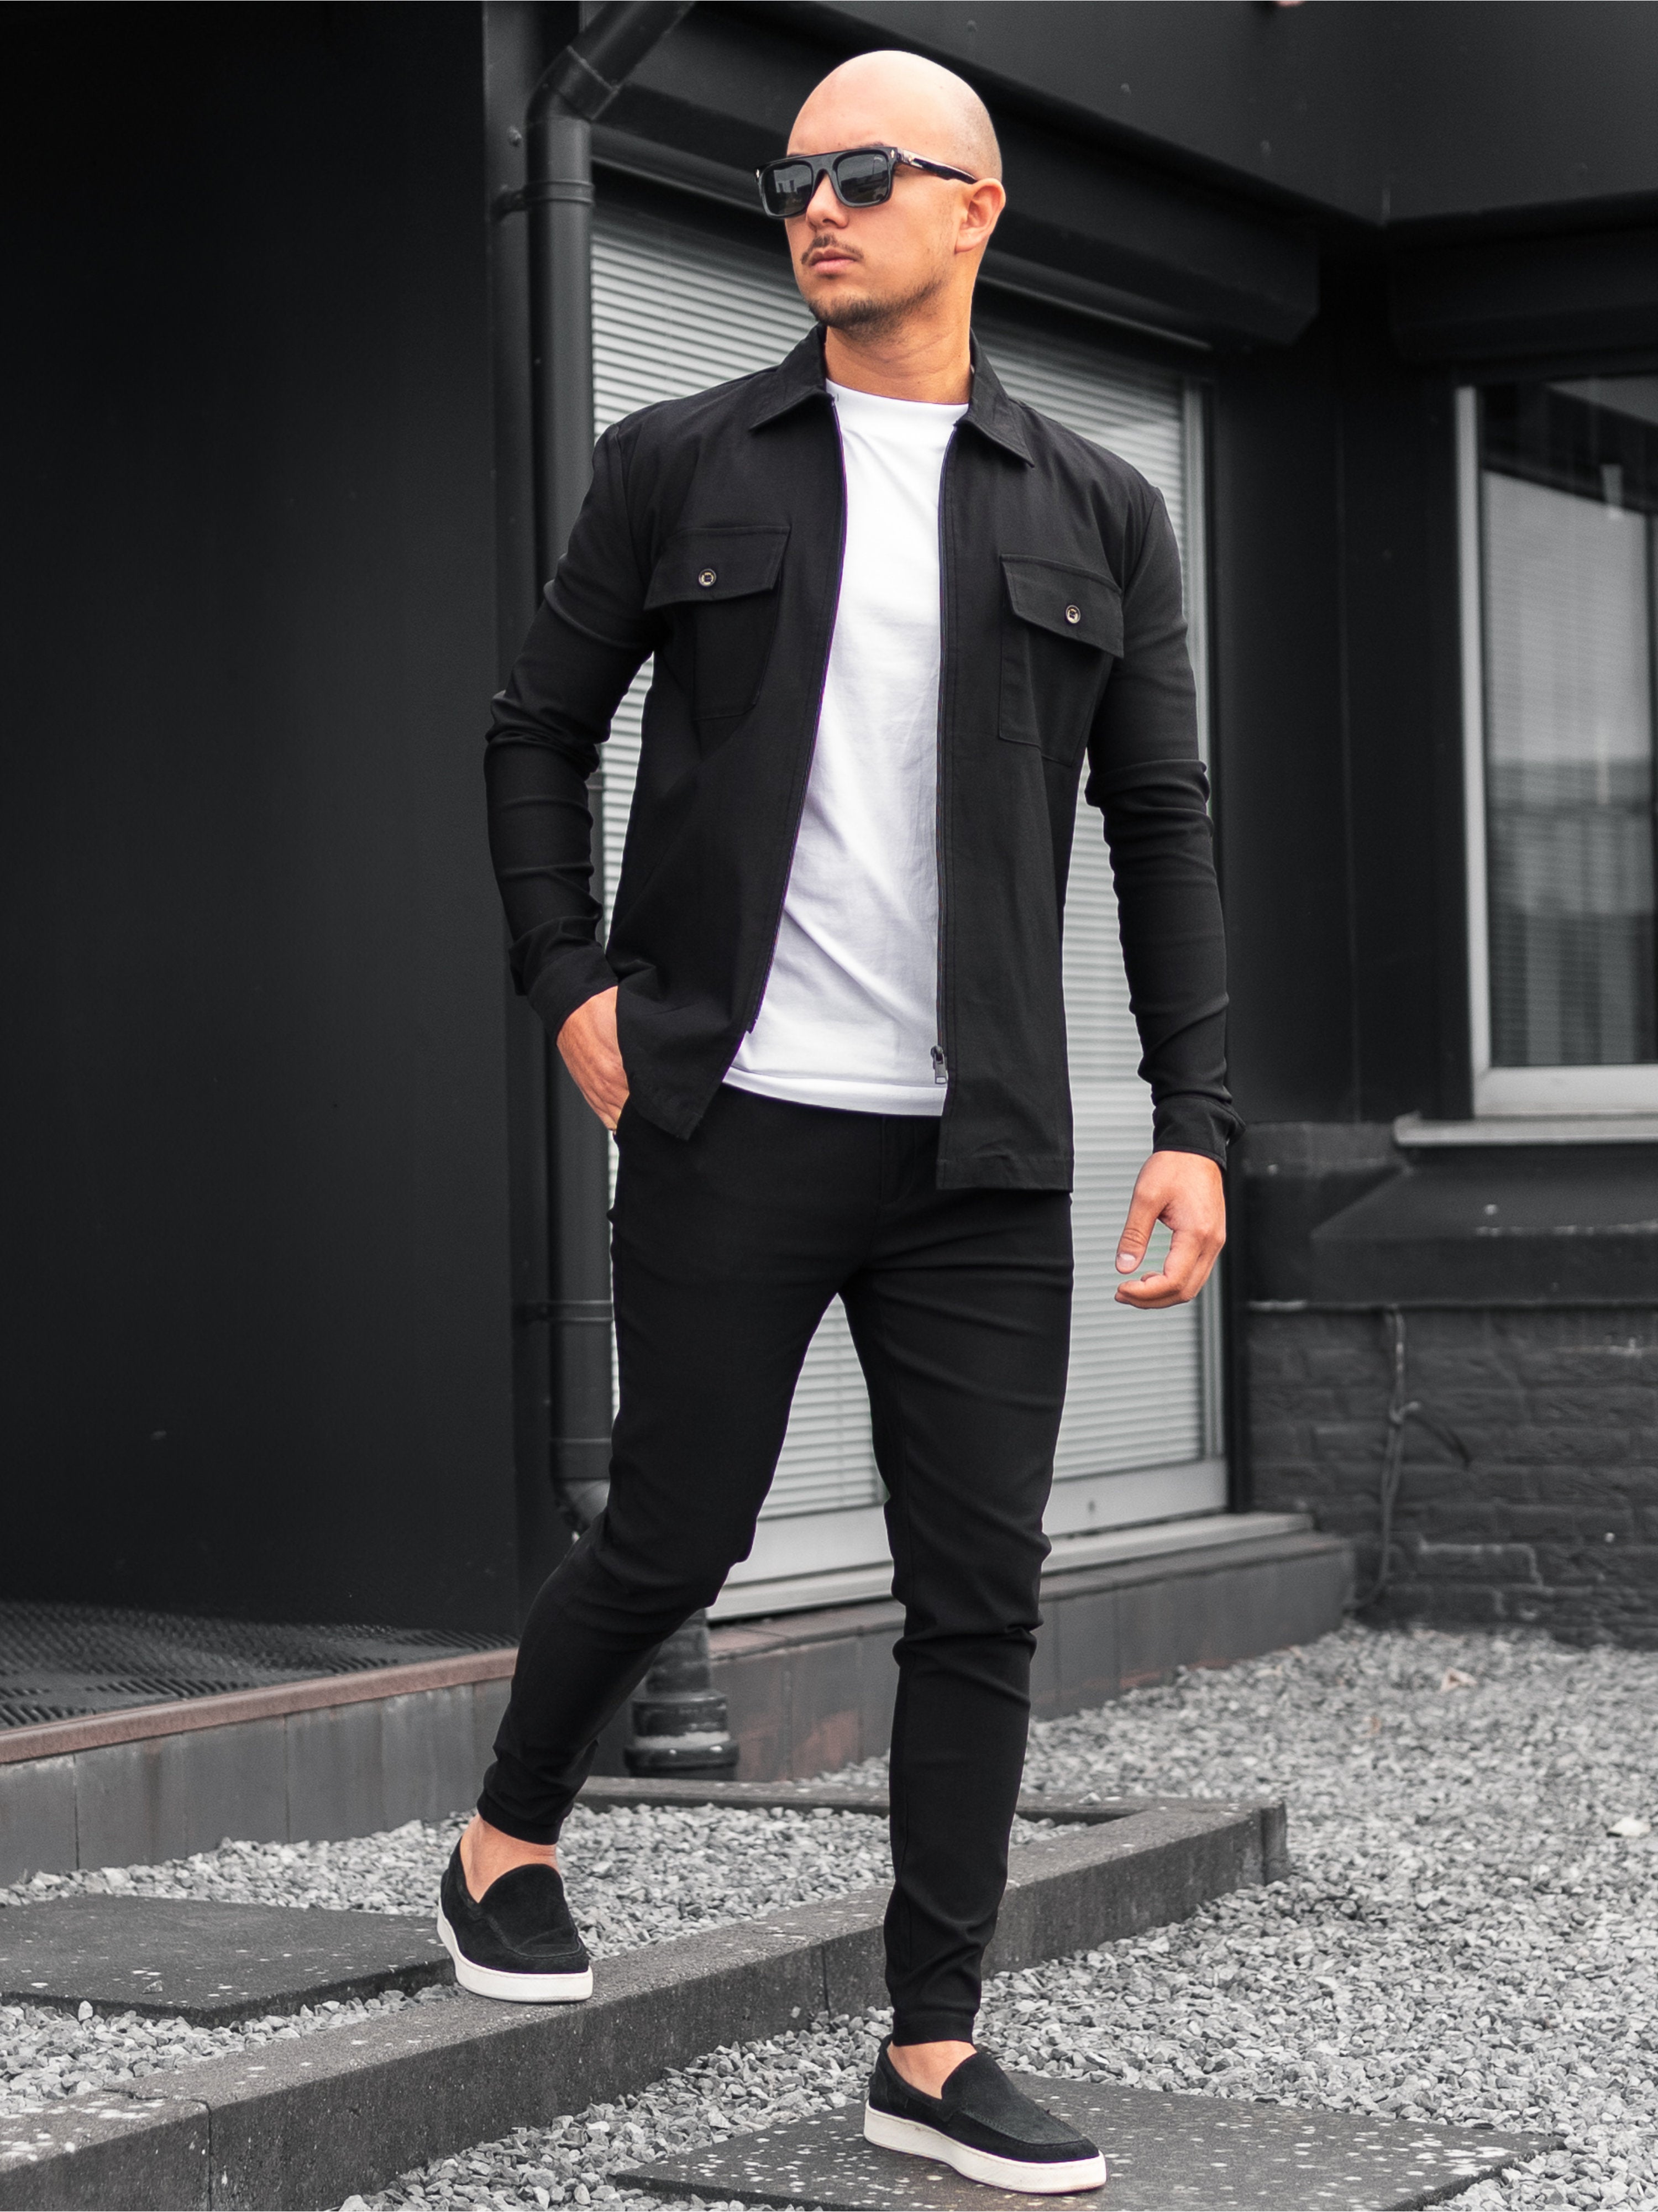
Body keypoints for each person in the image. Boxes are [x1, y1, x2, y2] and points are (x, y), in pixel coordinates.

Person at [445, 46, 1236, 2197]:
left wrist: (1194, 1113)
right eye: (795, 175)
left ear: (977, 207)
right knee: (675, 1534)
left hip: (978, 1150)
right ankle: (507, 1831)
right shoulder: (679, 463)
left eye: (868, 173)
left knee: (980, 1589)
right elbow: (533, 729)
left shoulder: (1101, 507)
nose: (818, 203)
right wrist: (567, 980)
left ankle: (932, 2040)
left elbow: (1162, 818)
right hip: (735, 1111)